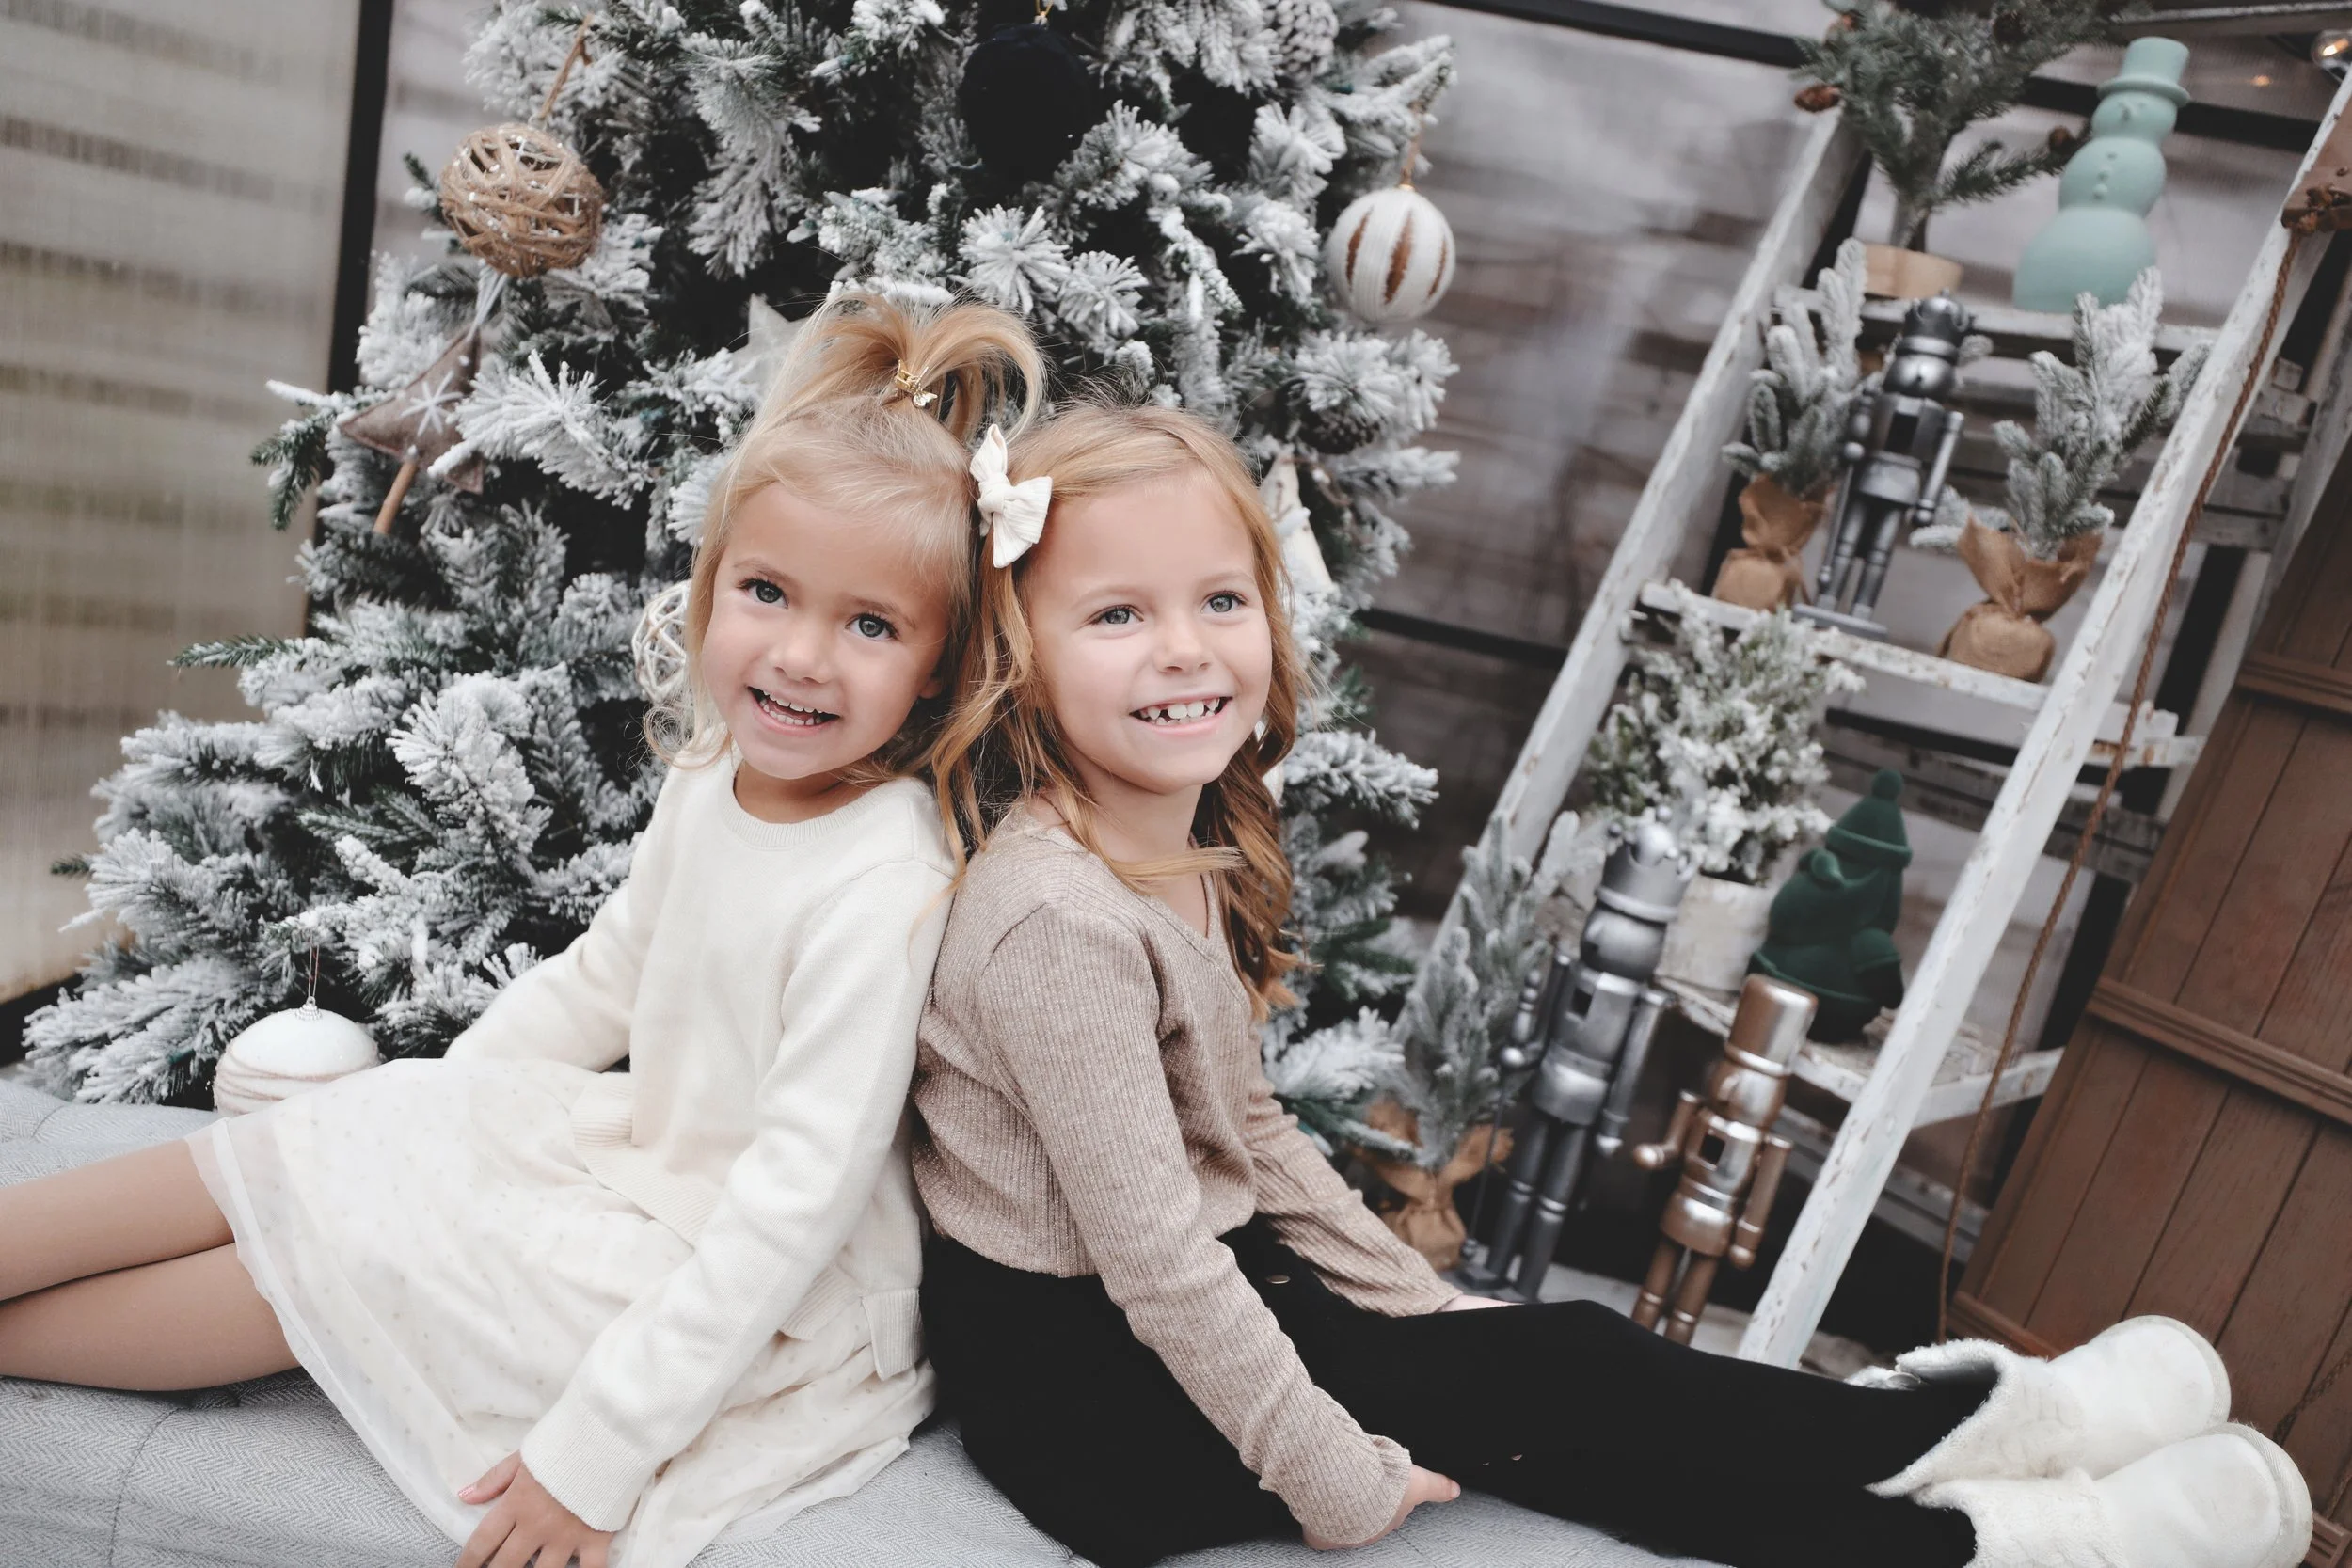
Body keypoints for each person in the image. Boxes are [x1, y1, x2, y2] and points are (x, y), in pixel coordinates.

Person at [907, 398, 2313, 1568]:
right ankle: (1972, 1434)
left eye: (1220, 599)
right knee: (1568, 1377)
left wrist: (1423, 1305)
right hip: (1090, 1395)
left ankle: (1980, 1540)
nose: (1184, 649)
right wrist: (1326, 1470)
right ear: (1023, 657)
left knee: (1541, 1390)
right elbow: (1157, 1259)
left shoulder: (1178, 845)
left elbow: (1253, 1133)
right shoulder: (1058, 924)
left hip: (1209, 1293)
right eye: (1116, 614)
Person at [0, 293, 1042, 1568]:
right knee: (319, 1146)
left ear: (937, 666)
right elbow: (606, 974)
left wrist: (596, 1451)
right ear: (715, 589)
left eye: (871, 624)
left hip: (751, 1281)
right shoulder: (713, 777)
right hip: (636, 1164)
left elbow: (789, 1207)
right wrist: (427, 1126)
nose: (804, 655)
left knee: (348, 1263)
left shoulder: (883, 874)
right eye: (768, 592)